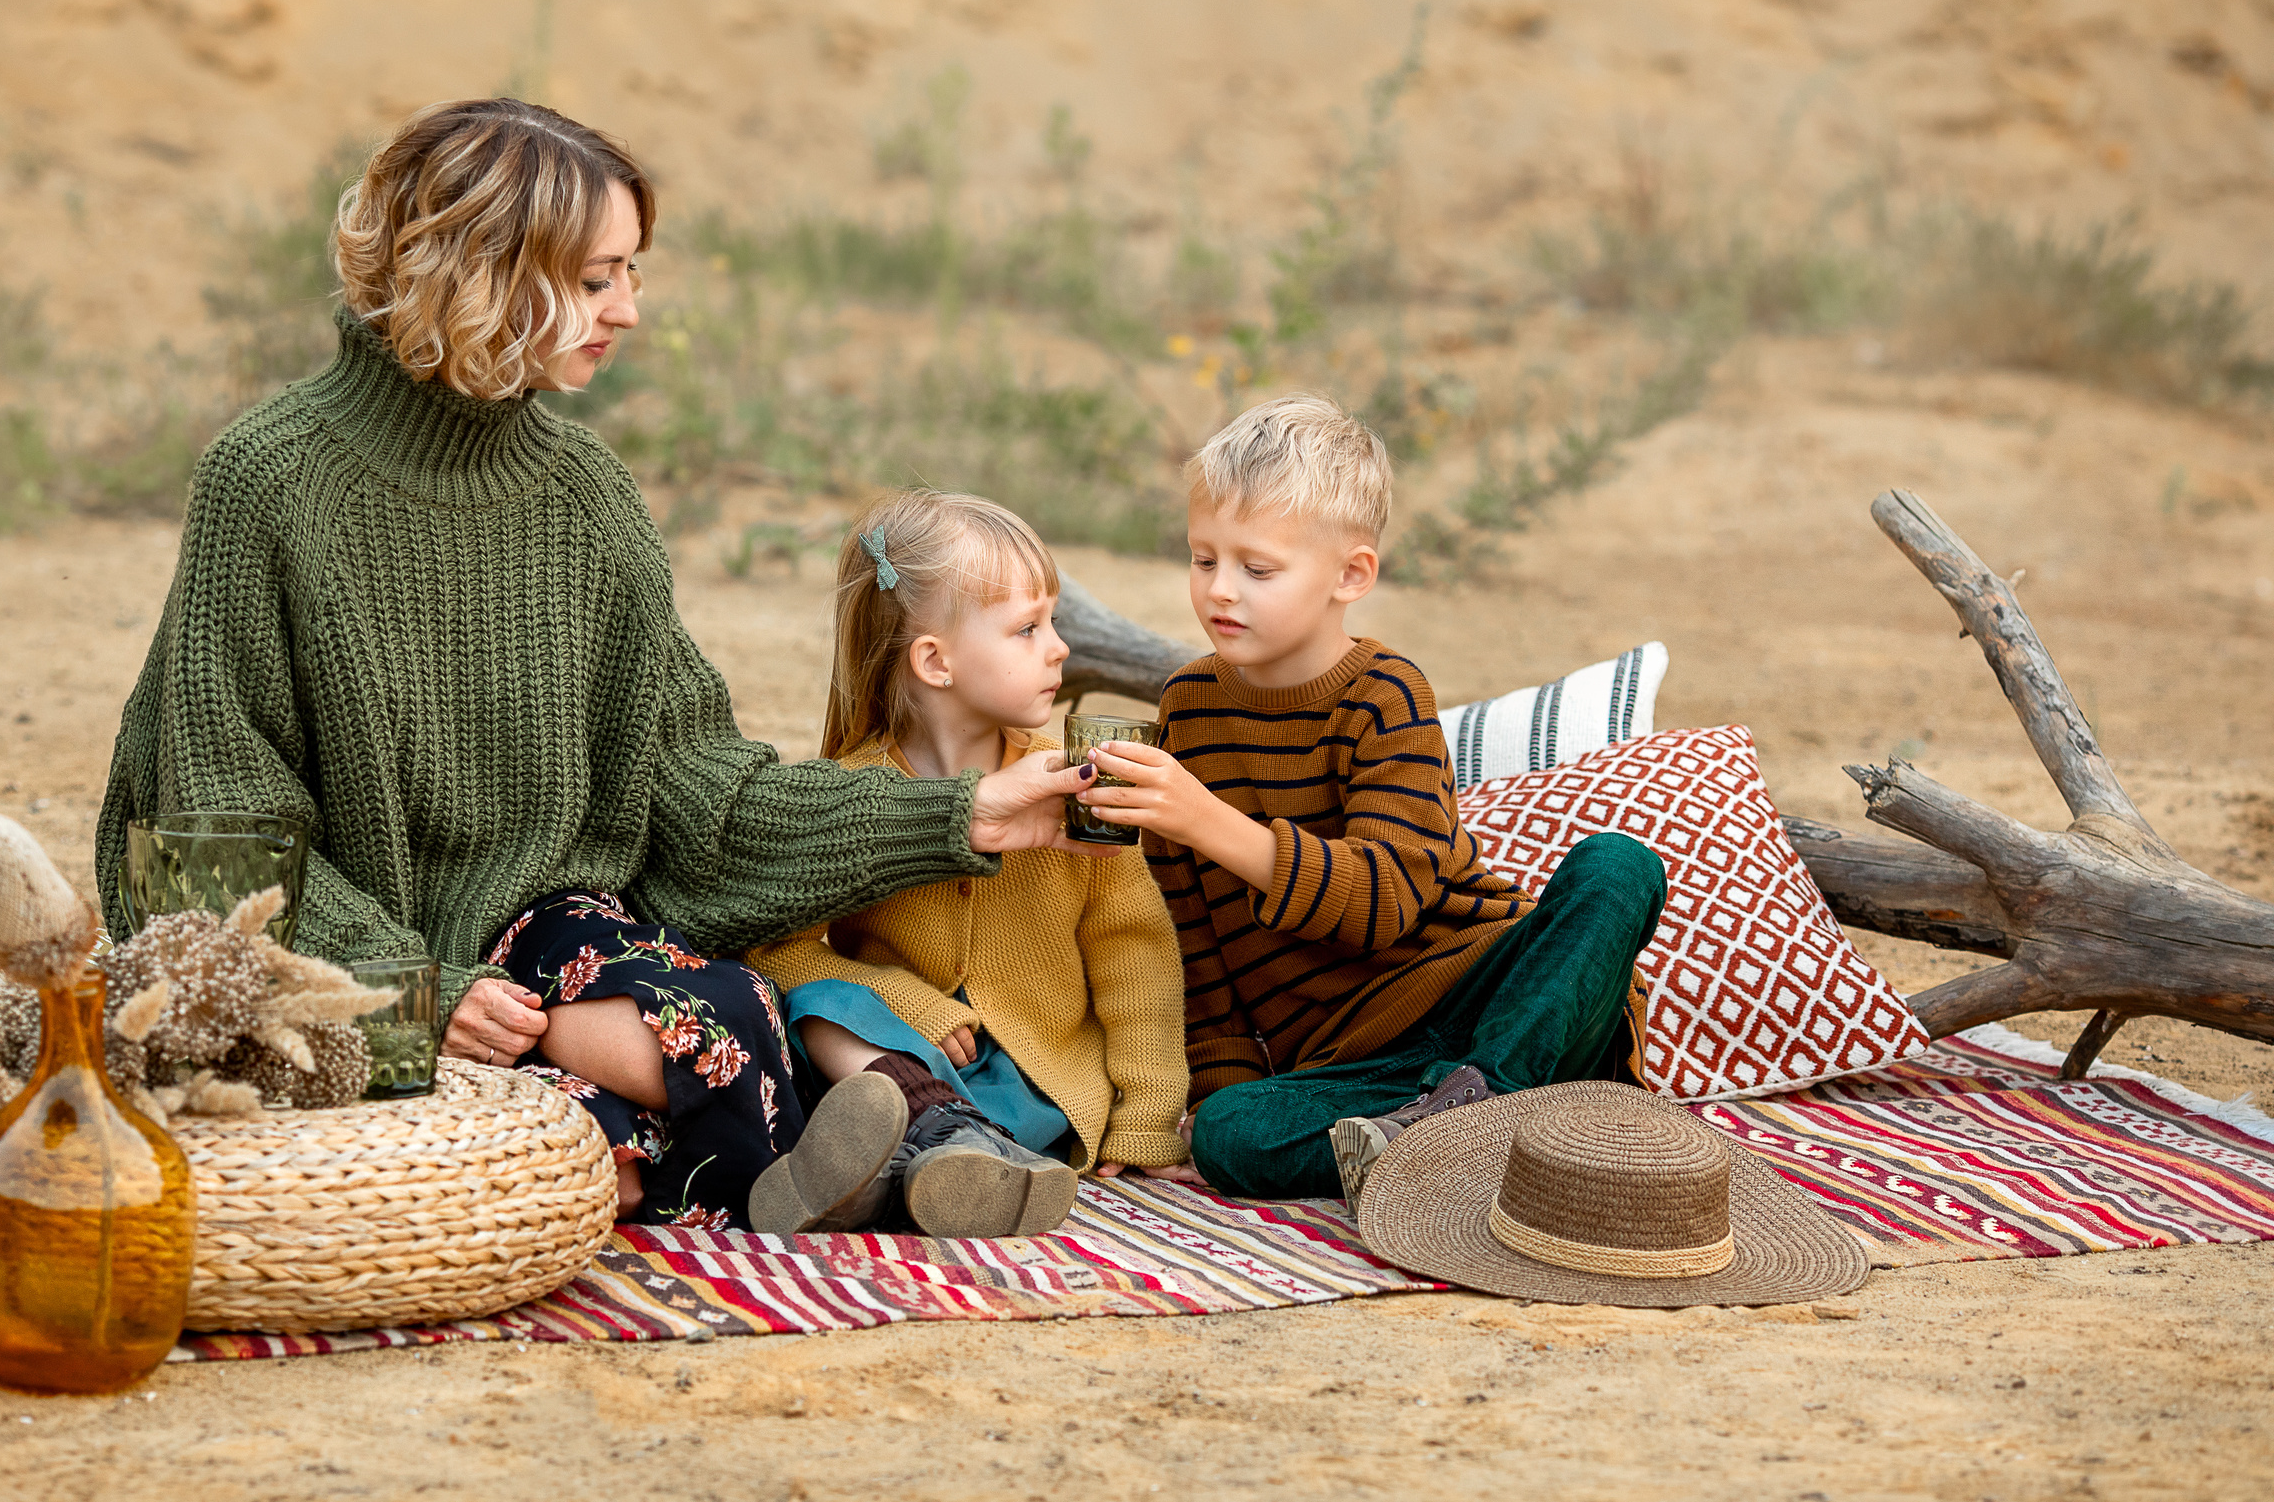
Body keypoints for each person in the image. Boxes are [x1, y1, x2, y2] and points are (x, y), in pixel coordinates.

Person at [95, 98, 1092, 1229]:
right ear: (475, 271)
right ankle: (833, 1165)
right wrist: (415, 999)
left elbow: (700, 797)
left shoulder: (588, 499)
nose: (629, 309)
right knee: (630, 1096)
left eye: (631, 272)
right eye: (595, 277)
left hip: (548, 935)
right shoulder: (267, 482)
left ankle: (776, 1158)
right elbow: (212, 836)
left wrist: (962, 814)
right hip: (339, 945)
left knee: (735, 1018)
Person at [1071, 395, 1669, 1208]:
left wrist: (1206, 818)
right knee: (1229, 1135)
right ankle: (1467, 1136)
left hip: (1487, 994)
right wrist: (1223, 1081)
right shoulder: (1188, 707)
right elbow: (1193, 936)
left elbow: (1384, 901)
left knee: (1617, 867)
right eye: (1202, 558)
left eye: (1258, 567)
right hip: (1355, 1064)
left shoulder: (1386, 694)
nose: (1220, 590)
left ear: (1350, 574)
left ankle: (1480, 1104)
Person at [745, 490, 1198, 1238]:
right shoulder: (855, 792)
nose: (1059, 647)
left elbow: (1135, 951)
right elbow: (774, 942)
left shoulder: (1075, 789)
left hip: (1029, 1086)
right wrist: (897, 996)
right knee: (818, 1003)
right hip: (887, 1068)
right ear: (935, 660)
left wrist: (1148, 1113)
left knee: (857, 1062)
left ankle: (909, 1169)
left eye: (1051, 622)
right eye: (1027, 628)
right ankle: (909, 1166)